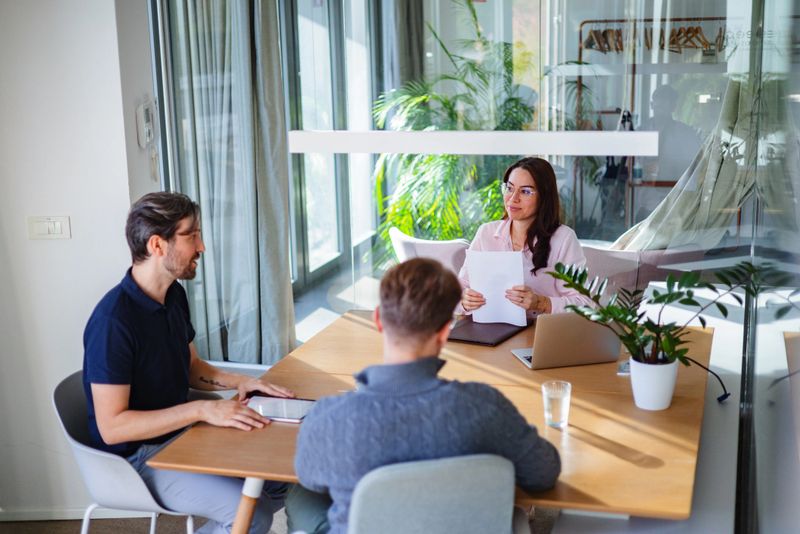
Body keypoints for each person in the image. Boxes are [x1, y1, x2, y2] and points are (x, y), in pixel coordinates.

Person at [286, 258, 561, 534]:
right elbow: (544, 472)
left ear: (378, 319)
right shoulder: (485, 407)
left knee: (300, 496)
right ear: (444, 332)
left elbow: (310, 476)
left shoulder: (329, 418)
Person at [83, 192, 293, 534]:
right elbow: (113, 427)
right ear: (157, 245)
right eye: (191, 235)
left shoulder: (173, 295)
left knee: (278, 477)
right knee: (253, 515)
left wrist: (239, 382)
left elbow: (192, 366)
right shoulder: (113, 322)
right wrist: (201, 411)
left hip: (179, 437)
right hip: (137, 460)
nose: (202, 247)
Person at [459, 156, 593, 317]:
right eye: (509, 188)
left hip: (540, 336)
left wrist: (541, 303)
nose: (513, 198)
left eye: (525, 191)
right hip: (490, 334)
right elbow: (458, 291)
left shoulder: (564, 239)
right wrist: (464, 301)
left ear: (544, 197)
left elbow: (586, 304)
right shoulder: (486, 233)